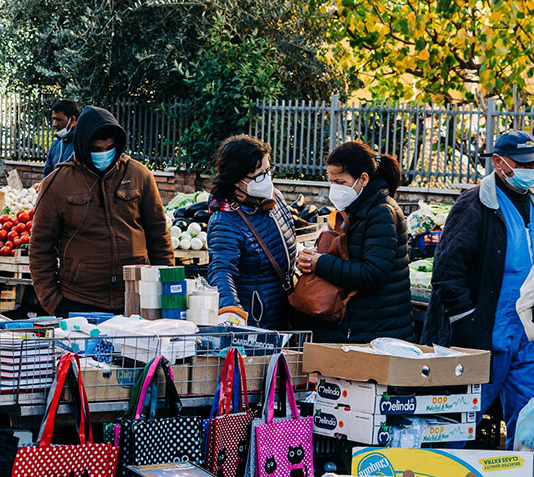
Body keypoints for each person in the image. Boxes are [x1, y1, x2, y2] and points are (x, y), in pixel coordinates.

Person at [422, 130, 534, 449]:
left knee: (528, 424)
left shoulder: (532, 204)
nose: (532, 169)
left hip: (526, 341)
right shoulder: (475, 205)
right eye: (524, 163)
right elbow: (446, 271)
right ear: (498, 163)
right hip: (484, 339)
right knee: (456, 424)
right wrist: (467, 324)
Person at [29, 106, 173, 317]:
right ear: (83, 145)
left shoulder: (140, 176)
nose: (104, 154)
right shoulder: (56, 184)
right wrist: (53, 302)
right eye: (97, 149)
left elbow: (159, 236)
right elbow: (40, 248)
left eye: (110, 147)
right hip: (78, 302)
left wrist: (165, 291)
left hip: (136, 299)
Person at [296, 141, 413, 342]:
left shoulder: (380, 214)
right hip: (357, 326)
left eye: (340, 182)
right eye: (331, 181)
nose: (334, 188)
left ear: (363, 179)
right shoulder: (356, 208)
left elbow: (372, 273)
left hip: (374, 332)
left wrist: (320, 262)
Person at [206, 135, 296, 330]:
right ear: (237, 180)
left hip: (285, 310)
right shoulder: (225, 219)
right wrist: (232, 312)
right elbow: (221, 270)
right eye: (259, 174)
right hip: (255, 319)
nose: (267, 178)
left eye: (268, 170)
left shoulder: (274, 197)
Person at [42, 100, 79, 177]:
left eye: (59, 120)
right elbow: (47, 174)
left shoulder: (81, 144)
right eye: (54, 119)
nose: (54, 124)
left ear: (72, 119)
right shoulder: (56, 144)